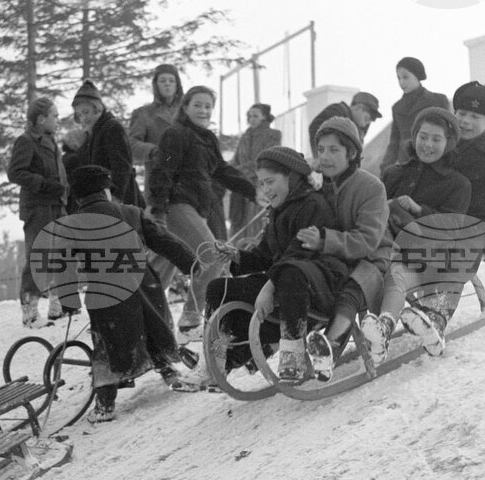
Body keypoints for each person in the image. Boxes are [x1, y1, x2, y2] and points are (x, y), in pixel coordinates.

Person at [396, 81, 485, 351]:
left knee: (461, 251)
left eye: (475, 116)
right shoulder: (440, 144)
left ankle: (436, 316)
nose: (465, 121)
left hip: (469, 230)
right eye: (461, 113)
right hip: (430, 222)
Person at [67, 165, 201, 422]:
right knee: (154, 328)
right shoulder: (131, 212)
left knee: (107, 346)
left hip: (107, 294)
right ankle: (169, 371)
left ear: (79, 196)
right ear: (105, 191)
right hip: (144, 284)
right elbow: (164, 241)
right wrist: (190, 263)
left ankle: (105, 404)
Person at [205, 147, 348, 383]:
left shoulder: (313, 205)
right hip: (285, 288)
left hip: (318, 289)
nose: (265, 189)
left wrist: (269, 287)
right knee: (218, 289)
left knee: (291, 273)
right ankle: (217, 357)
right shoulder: (277, 212)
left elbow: (298, 254)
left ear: (292, 176)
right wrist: (236, 257)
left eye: (270, 181)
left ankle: (293, 355)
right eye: (261, 183)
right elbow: (266, 255)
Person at [358, 108, 472, 362]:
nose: (427, 144)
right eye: (423, 136)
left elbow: (452, 225)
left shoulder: (458, 184)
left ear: (448, 143)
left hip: (430, 252)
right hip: (391, 249)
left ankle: (433, 321)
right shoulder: (394, 173)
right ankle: (384, 326)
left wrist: (419, 210)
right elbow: (374, 211)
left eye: (436, 139)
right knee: (391, 272)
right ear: (414, 135)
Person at [147, 85, 261, 338]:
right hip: (175, 205)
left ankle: (142, 312)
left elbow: (221, 170)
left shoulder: (207, 139)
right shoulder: (175, 134)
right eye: (197, 104)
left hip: (195, 208)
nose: (203, 110)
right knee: (212, 256)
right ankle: (190, 319)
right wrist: (158, 209)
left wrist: (253, 191)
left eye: (208, 106)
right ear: (185, 107)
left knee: (160, 266)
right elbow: (161, 169)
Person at [296, 117, 393, 381]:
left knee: (351, 288)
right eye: (321, 150)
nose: (325, 157)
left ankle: (330, 346)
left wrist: (324, 241)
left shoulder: (370, 186)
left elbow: (368, 240)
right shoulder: (321, 188)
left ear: (351, 153)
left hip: (372, 258)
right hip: (338, 259)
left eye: (334, 150)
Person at [7, 96, 79, 327]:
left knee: (63, 253)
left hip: (56, 205)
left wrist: (64, 193)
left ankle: (57, 305)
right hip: (38, 207)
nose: (58, 120)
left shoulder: (50, 141)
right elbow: (15, 172)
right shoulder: (27, 141)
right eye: (54, 116)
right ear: (40, 119)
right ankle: (30, 312)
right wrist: (45, 185)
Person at [70, 79, 144, 207]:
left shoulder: (112, 128)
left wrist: (116, 197)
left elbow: (122, 166)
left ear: (97, 108)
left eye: (86, 112)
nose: (83, 118)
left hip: (122, 202)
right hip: (106, 200)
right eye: (79, 115)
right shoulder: (94, 133)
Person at [380, 57, 451, 172]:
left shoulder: (438, 100)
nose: (401, 82)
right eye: (399, 78)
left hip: (433, 161)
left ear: (417, 75)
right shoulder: (397, 108)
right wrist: (385, 168)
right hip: (406, 163)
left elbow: (449, 134)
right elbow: (394, 142)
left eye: (405, 77)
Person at [228, 103, 281, 238]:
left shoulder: (272, 135)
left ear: (264, 117)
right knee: (239, 222)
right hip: (241, 185)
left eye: (255, 116)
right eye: (250, 116)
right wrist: (227, 172)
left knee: (256, 223)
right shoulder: (245, 136)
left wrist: (237, 172)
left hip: (259, 185)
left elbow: (263, 161)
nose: (251, 119)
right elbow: (236, 159)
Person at [128, 63, 184, 170]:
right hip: (157, 174)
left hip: (188, 175)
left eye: (171, 81)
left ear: (177, 85)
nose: (167, 84)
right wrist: (154, 152)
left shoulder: (187, 112)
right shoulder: (143, 113)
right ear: (156, 85)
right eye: (162, 81)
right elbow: (131, 144)